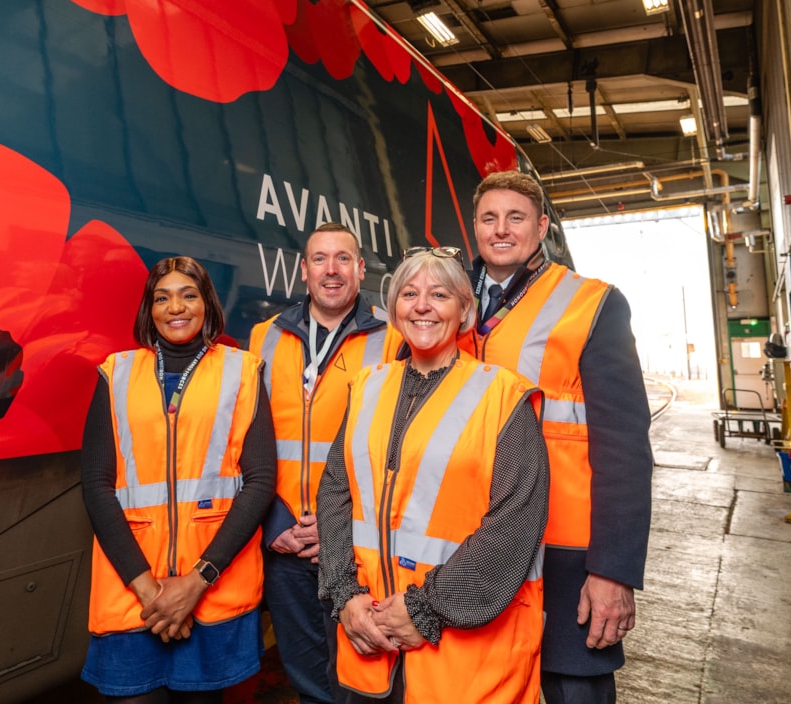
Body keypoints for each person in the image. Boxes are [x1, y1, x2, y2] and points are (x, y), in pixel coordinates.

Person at [317, 247, 550, 704]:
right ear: (395, 308)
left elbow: (515, 523)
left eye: (439, 294)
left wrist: (424, 610)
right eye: (409, 293)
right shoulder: (367, 386)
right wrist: (345, 596)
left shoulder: (503, 396)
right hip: (368, 636)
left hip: (462, 661)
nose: (421, 305)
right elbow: (335, 491)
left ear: (464, 308)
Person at [461, 171, 653, 704]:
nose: (502, 230)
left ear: (542, 226)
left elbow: (626, 449)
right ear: (474, 227)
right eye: (489, 218)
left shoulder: (592, 304)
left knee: (574, 690)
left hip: (564, 551)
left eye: (516, 217)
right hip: (469, 548)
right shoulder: (446, 302)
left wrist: (612, 570)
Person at [80, 256, 277, 704]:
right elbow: (96, 485)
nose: (176, 308)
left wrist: (195, 583)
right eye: (162, 297)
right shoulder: (116, 374)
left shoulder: (243, 371)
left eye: (189, 295)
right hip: (132, 594)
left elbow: (260, 482)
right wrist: (151, 592)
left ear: (207, 304)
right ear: (148, 309)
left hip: (210, 590)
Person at [248, 222, 400, 704]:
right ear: (303, 270)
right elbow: (245, 443)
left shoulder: (393, 337)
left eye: (342, 259)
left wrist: (341, 529)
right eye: (319, 259)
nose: (330, 271)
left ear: (360, 269)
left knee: (368, 677)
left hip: (359, 545)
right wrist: (275, 524)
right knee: (307, 676)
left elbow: (401, 448)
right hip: (286, 543)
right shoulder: (264, 338)